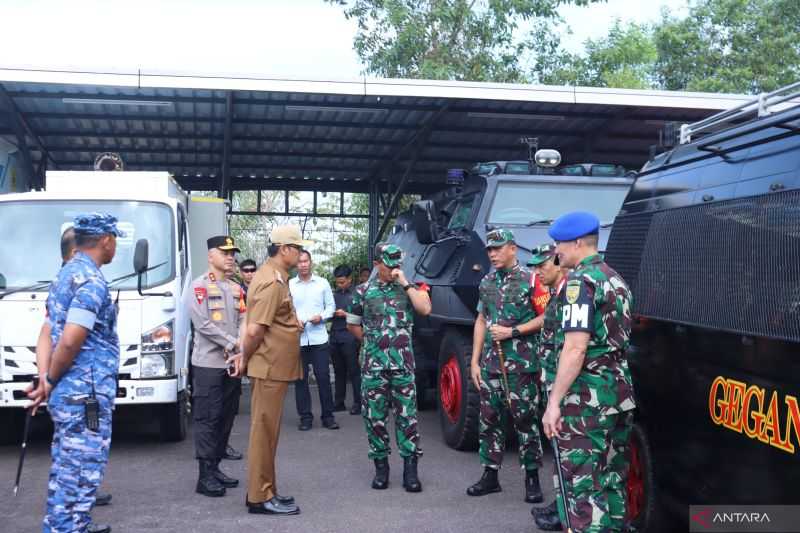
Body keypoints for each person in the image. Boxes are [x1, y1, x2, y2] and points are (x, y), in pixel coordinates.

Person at [542, 211, 636, 533]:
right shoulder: (616, 279)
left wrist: (554, 402)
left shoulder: (579, 283)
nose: (556, 252)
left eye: (560, 244)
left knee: (583, 490)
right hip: (618, 395)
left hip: (587, 401)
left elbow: (575, 348)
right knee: (612, 482)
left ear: (578, 242)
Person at [36, 213, 123, 533]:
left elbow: (47, 331)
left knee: (66, 466)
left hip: (71, 390)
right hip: (84, 391)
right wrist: (51, 378)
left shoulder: (65, 274)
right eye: (115, 240)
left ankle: (72, 524)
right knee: (82, 469)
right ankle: (66, 528)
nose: (115, 247)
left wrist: (47, 378)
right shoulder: (90, 280)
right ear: (105, 241)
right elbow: (72, 339)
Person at [231, 225, 310, 516]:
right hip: (268, 367)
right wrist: (243, 358)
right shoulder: (271, 282)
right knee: (263, 433)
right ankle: (259, 496)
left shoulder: (274, 278)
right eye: (298, 248)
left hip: (273, 367)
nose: (301, 254)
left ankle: (268, 489)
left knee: (268, 433)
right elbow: (254, 330)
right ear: (284, 249)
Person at [466, 228, 545, 504]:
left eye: (498, 248)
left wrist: (514, 332)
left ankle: (532, 477)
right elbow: (480, 320)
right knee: (488, 420)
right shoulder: (486, 282)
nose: (493, 254)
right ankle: (490, 475)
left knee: (525, 421)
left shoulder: (531, 280)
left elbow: (547, 317)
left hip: (522, 366)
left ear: (513, 248)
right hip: (490, 365)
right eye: (490, 249)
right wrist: (474, 361)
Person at [346, 243, 431, 492]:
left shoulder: (410, 289)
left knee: (408, 418)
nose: (393, 268)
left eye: (397, 263)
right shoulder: (362, 291)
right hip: (373, 366)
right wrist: (374, 343)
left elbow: (425, 309)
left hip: (403, 367)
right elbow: (352, 324)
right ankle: (381, 469)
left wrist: (404, 282)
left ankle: (410, 471)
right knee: (375, 418)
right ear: (376, 264)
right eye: (388, 264)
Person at [186, 235, 246, 497]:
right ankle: (204, 475)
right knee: (207, 419)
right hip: (209, 364)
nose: (230, 257)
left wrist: (241, 345)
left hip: (232, 364)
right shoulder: (199, 286)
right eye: (225, 252)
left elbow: (246, 317)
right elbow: (202, 324)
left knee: (226, 416)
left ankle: (216, 467)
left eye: (233, 253)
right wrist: (234, 343)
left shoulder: (236, 288)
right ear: (211, 256)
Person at [527, 243, 567, 532]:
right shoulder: (557, 295)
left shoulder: (571, 294)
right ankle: (562, 506)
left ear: (558, 262)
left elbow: (575, 347)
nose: (538, 271)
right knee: (560, 451)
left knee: (570, 454)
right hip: (554, 385)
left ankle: (566, 514)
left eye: (542, 265)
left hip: (568, 391)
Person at [290, 250, 339, 431]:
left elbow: (331, 307)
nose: (303, 264)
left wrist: (322, 317)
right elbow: (286, 310)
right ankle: (305, 418)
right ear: (296, 264)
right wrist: (294, 322)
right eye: (300, 262)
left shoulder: (322, 283)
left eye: (306, 261)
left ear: (311, 263)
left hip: (319, 338)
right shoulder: (290, 285)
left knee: (323, 377)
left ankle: (328, 416)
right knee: (300, 380)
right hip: (298, 339)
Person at [330, 265, 361, 415]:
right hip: (335, 336)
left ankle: (358, 403)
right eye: (338, 282)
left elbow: (363, 317)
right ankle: (339, 402)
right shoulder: (333, 295)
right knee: (338, 371)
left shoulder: (357, 294)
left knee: (354, 371)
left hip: (350, 337)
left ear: (350, 279)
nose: (340, 285)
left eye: (342, 282)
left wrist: (345, 315)